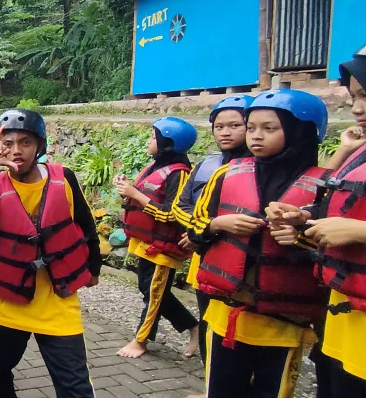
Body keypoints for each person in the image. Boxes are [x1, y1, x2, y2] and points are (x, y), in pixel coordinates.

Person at [0, 109, 101, 398]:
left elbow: (87, 226)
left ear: (39, 146)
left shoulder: (64, 178)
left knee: (75, 388)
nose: (16, 150)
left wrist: (94, 269)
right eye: (8, 143)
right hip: (8, 303)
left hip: (58, 302)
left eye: (25, 142)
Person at [191, 89, 330, 398]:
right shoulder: (226, 173)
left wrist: (301, 237)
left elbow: (340, 248)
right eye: (251, 127)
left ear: (300, 131)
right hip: (228, 314)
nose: (256, 136)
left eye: (269, 128)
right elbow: (194, 227)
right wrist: (218, 224)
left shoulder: (325, 186)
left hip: (284, 322)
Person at [264, 48, 366, 397]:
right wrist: (304, 219)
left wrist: (358, 231)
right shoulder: (360, 154)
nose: (357, 109)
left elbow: (353, 226)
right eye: (354, 97)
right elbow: (341, 206)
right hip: (345, 314)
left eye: (365, 95)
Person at [170, 95, 252, 398]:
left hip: (245, 266)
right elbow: (180, 206)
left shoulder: (262, 169)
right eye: (219, 126)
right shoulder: (206, 165)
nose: (225, 132)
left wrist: (201, 232)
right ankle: (211, 389)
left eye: (235, 125)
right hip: (206, 260)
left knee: (243, 335)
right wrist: (202, 230)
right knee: (209, 325)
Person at [115, 116, 200, 359]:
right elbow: (145, 198)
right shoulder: (156, 167)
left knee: (154, 293)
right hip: (147, 242)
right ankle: (193, 326)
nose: (149, 141)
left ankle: (141, 341)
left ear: (168, 144)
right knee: (149, 289)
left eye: (154, 137)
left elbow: (171, 213)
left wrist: (135, 194)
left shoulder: (179, 173)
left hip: (163, 247)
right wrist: (127, 190)